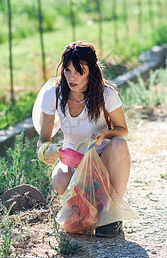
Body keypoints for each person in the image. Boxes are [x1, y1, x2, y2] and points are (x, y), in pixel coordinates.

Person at [37, 41, 131, 237]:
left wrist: (106, 134)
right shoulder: (53, 94)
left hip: (102, 158)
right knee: (61, 181)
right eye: (68, 70)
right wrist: (46, 152)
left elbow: (122, 130)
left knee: (120, 144)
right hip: (72, 158)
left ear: (91, 71)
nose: (72, 77)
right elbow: (43, 140)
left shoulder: (107, 94)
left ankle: (113, 216)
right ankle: (90, 207)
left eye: (79, 71)